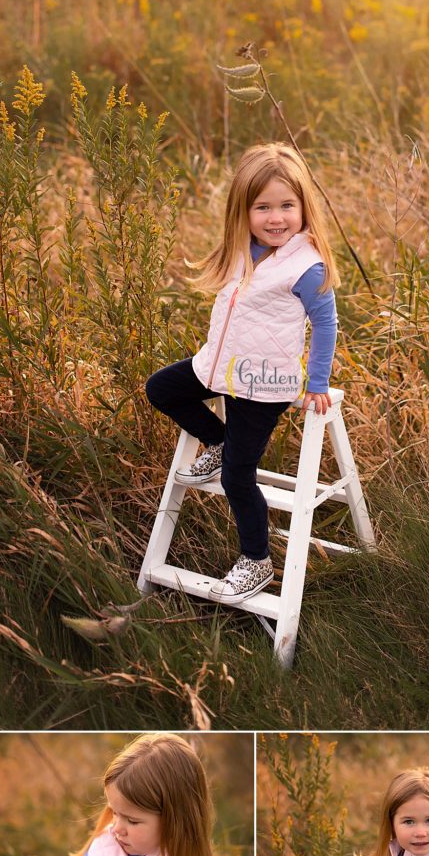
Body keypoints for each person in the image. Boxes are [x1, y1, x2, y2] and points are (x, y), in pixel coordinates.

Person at [145, 142, 340, 602]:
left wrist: (316, 382)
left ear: (303, 207)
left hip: (263, 387)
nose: (276, 218)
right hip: (218, 369)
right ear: (243, 211)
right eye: (263, 207)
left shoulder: (305, 266)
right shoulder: (242, 250)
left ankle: (256, 560)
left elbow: (326, 323)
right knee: (161, 389)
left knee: (237, 477)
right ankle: (217, 441)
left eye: (287, 206)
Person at [48, 733, 217, 856]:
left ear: (175, 821)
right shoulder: (103, 845)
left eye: (132, 821)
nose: (117, 828)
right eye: (114, 812)